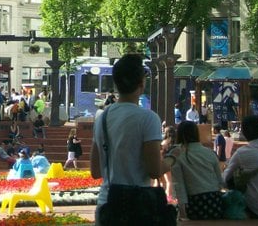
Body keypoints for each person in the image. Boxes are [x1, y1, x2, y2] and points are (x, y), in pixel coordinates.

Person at [91, 53, 178, 225]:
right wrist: (173, 158)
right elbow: (154, 170)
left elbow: (96, 171)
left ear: (116, 83)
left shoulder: (102, 117)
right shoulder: (148, 118)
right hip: (139, 207)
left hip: (108, 204)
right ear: (142, 83)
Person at [170, 121, 224, 220]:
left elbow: (178, 184)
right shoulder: (210, 153)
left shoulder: (177, 154)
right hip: (215, 202)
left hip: (193, 203)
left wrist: (182, 213)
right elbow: (220, 180)